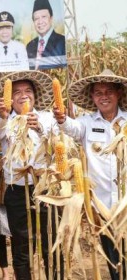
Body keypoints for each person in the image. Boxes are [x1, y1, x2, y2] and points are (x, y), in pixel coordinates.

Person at [53, 69, 127, 280]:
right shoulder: (87, 123)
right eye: (98, 92)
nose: (103, 96)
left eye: (109, 91)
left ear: (119, 93)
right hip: (101, 203)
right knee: (112, 254)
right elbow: (71, 128)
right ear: (92, 97)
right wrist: (61, 118)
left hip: (126, 202)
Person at [0, 70, 63, 280]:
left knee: (51, 242)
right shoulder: (1, 119)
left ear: (35, 95)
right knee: (21, 246)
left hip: (45, 189)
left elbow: (58, 145)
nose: (23, 95)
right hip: (16, 189)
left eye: (28, 91)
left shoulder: (48, 118)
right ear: (9, 99)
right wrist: (4, 116)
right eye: (17, 92)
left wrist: (38, 128)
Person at [26, 0, 66, 70]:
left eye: (44, 17)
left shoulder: (62, 42)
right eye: (36, 19)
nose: (40, 22)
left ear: (51, 18)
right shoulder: (29, 46)